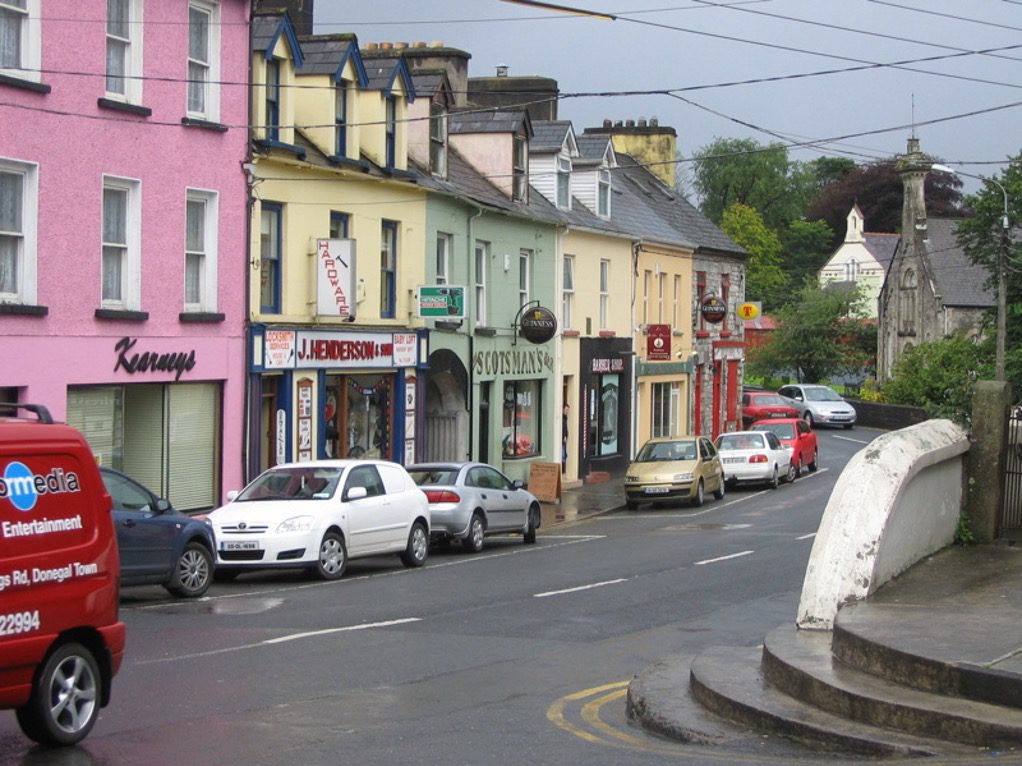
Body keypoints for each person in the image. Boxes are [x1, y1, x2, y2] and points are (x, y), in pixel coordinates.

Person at [562, 403, 570, 470]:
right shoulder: (562, 418)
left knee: (564, 455)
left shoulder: (565, 418)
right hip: (562, 440)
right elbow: (563, 428)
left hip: (564, 440)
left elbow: (565, 428)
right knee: (563, 455)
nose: (567, 411)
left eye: (568, 410)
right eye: (566, 409)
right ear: (563, 409)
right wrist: (564, 436)